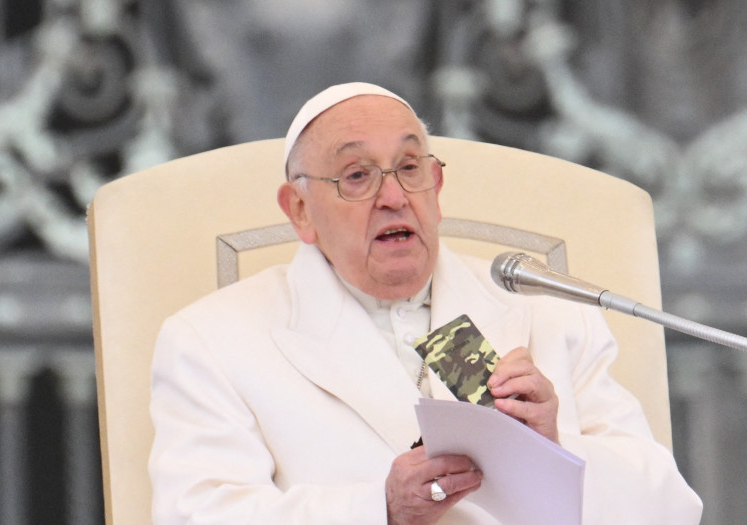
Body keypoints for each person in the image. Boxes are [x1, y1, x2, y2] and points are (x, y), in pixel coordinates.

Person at [149, 82, 703, 524]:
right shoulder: (212, 342)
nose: (394, 197)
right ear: (299, 210)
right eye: (357, 176)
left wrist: (555, 450)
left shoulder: (551, 312)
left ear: (436, 187)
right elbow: (195, 516)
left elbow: (670, 509)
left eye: (410, 168)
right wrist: (379, 511)